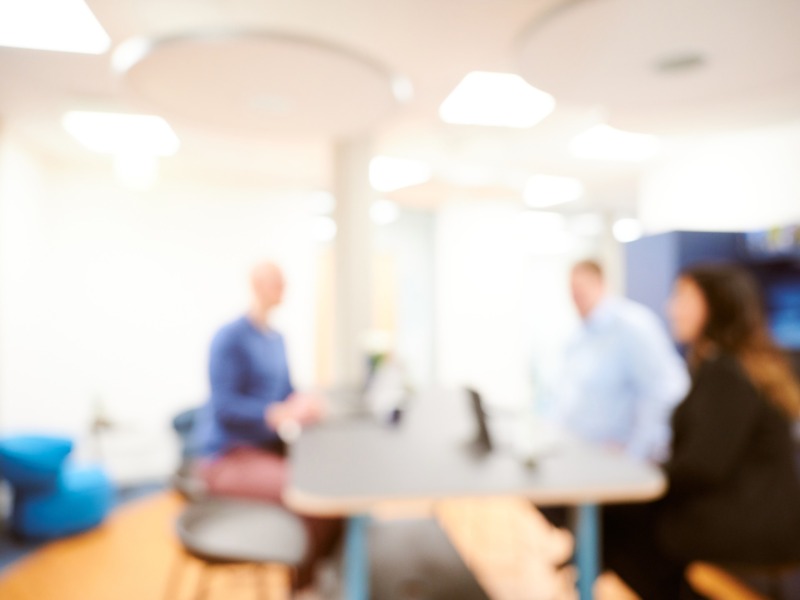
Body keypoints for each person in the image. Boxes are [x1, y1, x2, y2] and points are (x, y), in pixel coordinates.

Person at [604, 263, 800, 599]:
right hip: (756, 519)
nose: (671, 308)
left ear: (715, 306)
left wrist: (643, 473)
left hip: (745, 529)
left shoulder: (725, 373)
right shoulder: (740, 364)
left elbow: (702, 467)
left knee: (613, 520)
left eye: (682, 297)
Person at [192, 260, 342, 590]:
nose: (282, 289)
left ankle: (325, 579)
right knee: (310, 501)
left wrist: (306, 402)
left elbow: (287, 392)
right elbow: (225, 407)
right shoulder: (229, 337)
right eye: (276, 282)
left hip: (266, 451)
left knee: (335, 495)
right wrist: (275, 414)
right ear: (257, 285)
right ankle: (304, 589)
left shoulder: (276, 339)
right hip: (228, 456)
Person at [542, 260, 690, 462]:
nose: (576, 296)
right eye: (573, 290)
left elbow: (663, 390)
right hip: (579, 458)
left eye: (582, 288)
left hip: (616, 463)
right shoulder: (578, 336)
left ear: (601, 285)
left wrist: (635, 454)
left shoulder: (633, 326)